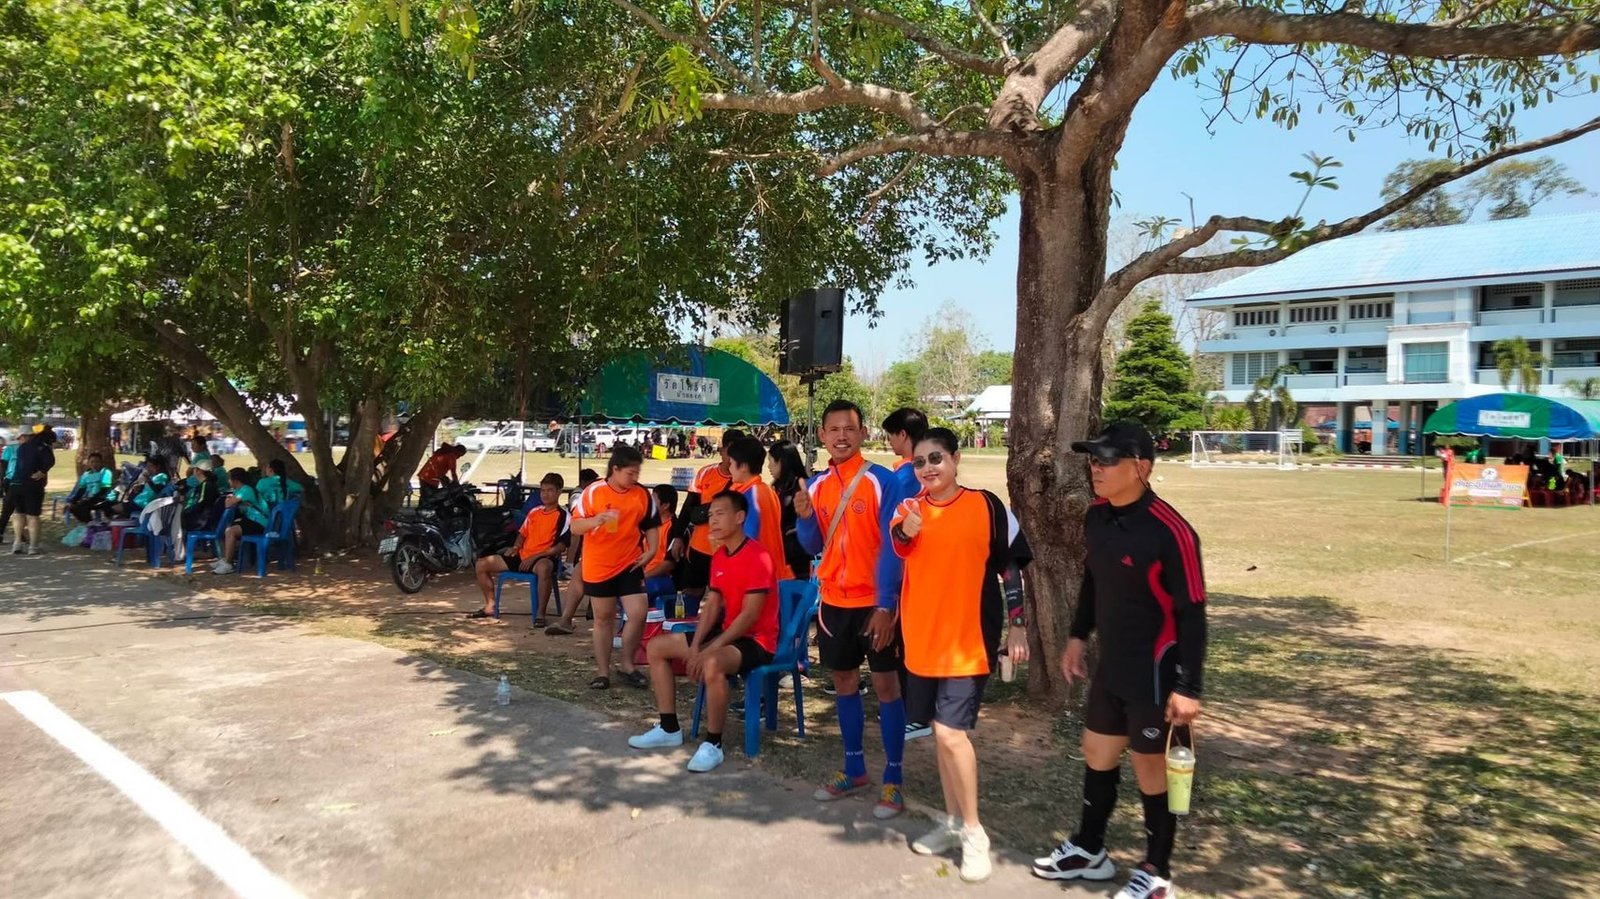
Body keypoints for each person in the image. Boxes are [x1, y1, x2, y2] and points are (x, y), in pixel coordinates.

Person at [1032, 422, 1207, 899]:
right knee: (1097, 751)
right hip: (1113, 667)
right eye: (1093, 460)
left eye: (1107, 460)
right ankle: (1091, 850)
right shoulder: (1097, 517)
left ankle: (1158, 872)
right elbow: (1094, 580)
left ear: (1141, 468)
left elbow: (1192, 612)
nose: (1096, 469)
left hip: (1156, 673)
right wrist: (1076, 636)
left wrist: (1189, 688)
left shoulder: (1172, 532)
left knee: (1151, 769)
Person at [890, 427, 1032, 882]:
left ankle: (974, 833)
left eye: (936, 458)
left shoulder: (987, 506)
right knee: (939, 732)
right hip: (921, 641)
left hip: (968, 640)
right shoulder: (908, 509)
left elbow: (1010, 566)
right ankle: (952, 822)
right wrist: (908, 528)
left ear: (955, 458)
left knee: (952, 734)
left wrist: (1017, 623)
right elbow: (900, 541)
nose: (928, 468)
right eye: (919, 462)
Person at [794, 400, 908, 819]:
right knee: (844, 683)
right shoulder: (817, 484)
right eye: (834, 429)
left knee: (886, 687)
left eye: (849, 429)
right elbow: (811, 545)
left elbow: (896, 546)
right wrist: (805, 517)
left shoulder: (882, 480)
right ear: (822, 435)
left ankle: (894, 780)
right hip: (833, 604)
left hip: (874, 604)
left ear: (862, 433)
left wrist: (886, 604)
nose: (841, 436)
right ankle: (854, 769)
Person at [627, 490, 779, 772]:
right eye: (710, 515)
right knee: (657, 647)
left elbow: (749, 616)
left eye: (720, 514)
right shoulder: (719, 556)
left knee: (711, 663)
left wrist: (708, 650)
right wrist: (696, 645)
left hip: (758, 640)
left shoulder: (759, 556)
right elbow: (711, 607)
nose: (713, 521)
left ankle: (713, 744)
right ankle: (669, 727)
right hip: (727, 633)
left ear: (740, 517)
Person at [568, 445, 660, 689]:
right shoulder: (593, 491)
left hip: (630, 563)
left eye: (637, 472)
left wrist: (651, 550)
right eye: (630, 473)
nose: (635, 477)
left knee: (638, 613)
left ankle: (627, 665)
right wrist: (596, 520)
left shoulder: (641, 494)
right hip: (599, 565)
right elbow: (575, 526)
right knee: (603, 618)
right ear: (615, 469)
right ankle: (603, 672)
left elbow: (651, 525)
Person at [882, 406, 931, 742]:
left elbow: (889, 528)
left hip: (906, 569)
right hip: (916, 568)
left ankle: (917, 712)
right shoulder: (923, 471)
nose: (889, 442)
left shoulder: (904, 476)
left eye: (890, 436)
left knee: (908, 641)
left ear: (903, 434)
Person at [469, 473, 570, 625]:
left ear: (559, 492)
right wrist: (516, 547)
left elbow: (561, 547)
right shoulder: (535, 512)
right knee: (481, 564)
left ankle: (540, 614)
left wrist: (536, 556)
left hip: (543, 557)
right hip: (523, 555)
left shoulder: (563, 515)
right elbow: (522, 534)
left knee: (545, 568)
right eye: (542, 491)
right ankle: (490, 605)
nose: (545, 494)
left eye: (550, 490)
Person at [670, 429, 745, 604]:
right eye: (729, 452)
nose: (732, 458)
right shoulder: (706, 473)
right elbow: (688, 507)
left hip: (727, 551)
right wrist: (678, 537)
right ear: (722, 451)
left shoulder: (743, 480)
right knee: (690, 595)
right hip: (699, 549)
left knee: (723, 599)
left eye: (737, 453)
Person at [544, 468, 602, 636]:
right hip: (599, 551)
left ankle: (593, 613)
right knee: (580, 573)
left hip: (622, 555)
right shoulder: (583, 495)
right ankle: (566, 620)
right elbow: (577, 524)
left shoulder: (634, 495)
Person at [727, 436, 793, 579]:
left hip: (755, 576)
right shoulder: (767, 491)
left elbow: (748, 538)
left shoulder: (750, 495)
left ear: (743, 467)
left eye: (731, 463)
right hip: (771, 572)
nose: (729, 468)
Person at [765, 440, 813, 579]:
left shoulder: (801, 485)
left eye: (771, 461)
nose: (768, 466)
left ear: (782, 462)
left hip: (797, 557)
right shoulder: (776, 486)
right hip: (779, 553)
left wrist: (796, 528)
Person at [213, 467, 269, 575]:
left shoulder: (246, 490)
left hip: (259, 522)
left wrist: (229, 499)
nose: (228, 481)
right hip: (250, 520)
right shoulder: (239, 490)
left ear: (235, 480)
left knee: (231, 531)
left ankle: (228, 564)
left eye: (229, 478)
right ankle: (225, 558)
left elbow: (228, 504)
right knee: (228, 528)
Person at [10, 427, 56, 555]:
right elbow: (50, 461)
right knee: (33, 515)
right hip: (33, 485)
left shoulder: (22, 448)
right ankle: (33, 546)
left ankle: (17, 543)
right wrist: (42, 471)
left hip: (17, 483)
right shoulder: (43, 447)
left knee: (18, 513)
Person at [644, 484, 680, 601]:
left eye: (653, 499)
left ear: (665, 505)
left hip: (662, 579)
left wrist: (644, 577)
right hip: (644, 574)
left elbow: (669, 565)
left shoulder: (674, 528)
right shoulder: (648, 523)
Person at [66, 452, 116, 522]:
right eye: (92, 462)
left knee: (85, 505)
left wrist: (91, 500)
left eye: (97, 462)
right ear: (89, 463)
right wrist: (72, 502)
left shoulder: (106, 472)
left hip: (106, 498)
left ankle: (92, 523)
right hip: (92, 499)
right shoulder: (86, 474)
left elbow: (104, 490)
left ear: (101, 463)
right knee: (74, 508)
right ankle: (88, 522)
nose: (94, 464)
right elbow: (81, 490)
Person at [181, 463, 220, 533]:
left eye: (194, 469)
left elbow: (200, 503)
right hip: (204, 518)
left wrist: (185, 512)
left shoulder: (206, 485)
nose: (193, 471)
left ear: (199, 471)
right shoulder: (209, 483)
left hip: (202, 520)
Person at [0, 434, 12, 542]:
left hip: (10, 480)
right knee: (8, 509)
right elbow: (3, 466)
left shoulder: (9, 449)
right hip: (9, 481)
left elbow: (3, 466)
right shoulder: (9, 449)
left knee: (8, 509)